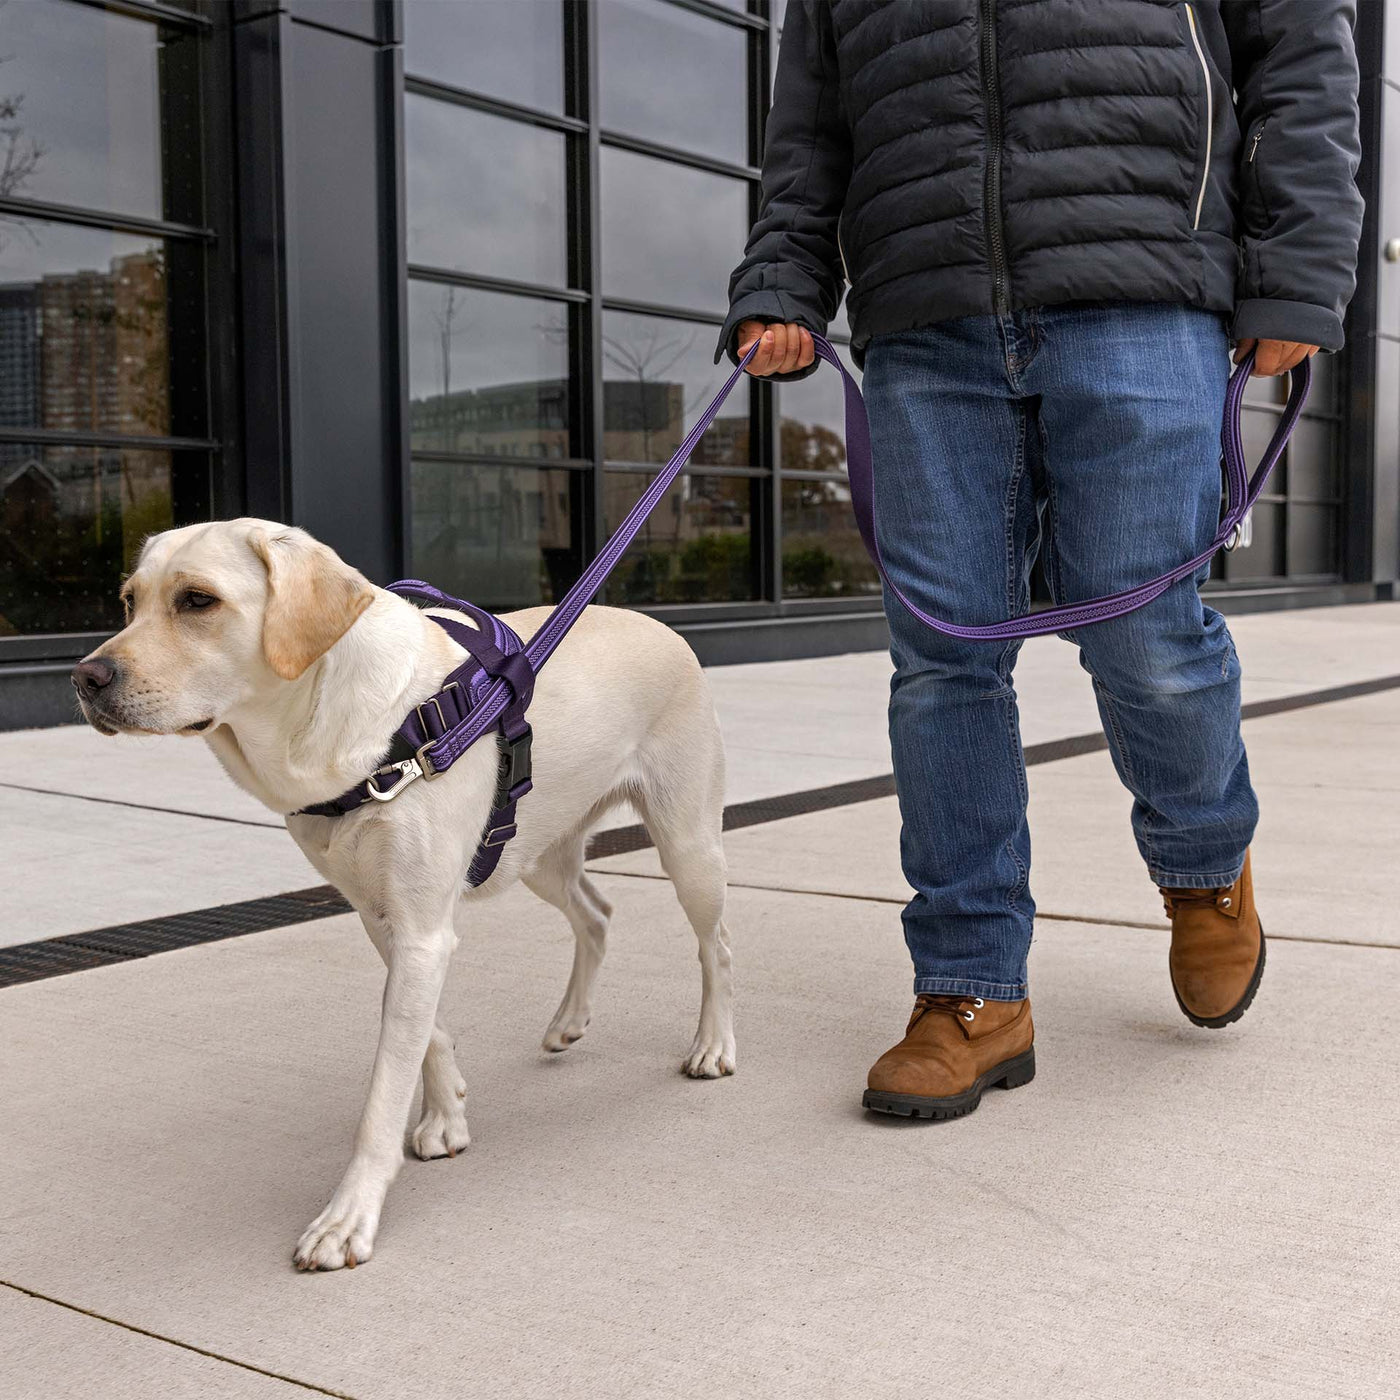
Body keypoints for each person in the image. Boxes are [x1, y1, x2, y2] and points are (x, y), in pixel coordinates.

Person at [718, 1, 1363, 1119]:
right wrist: (781, 278)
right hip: (924, 308)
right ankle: (969, 990)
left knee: (1139, 628)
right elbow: (809, 125)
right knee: (941, 664)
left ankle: (1204, 862)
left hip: (1142, 286)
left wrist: (1297, 269)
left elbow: (1298, 51)